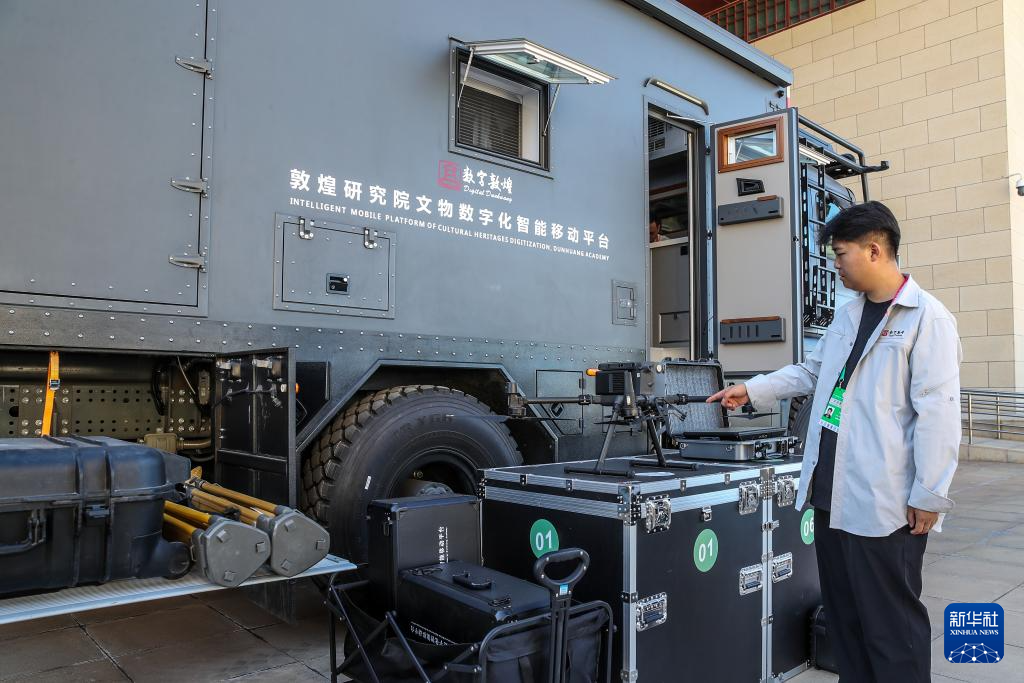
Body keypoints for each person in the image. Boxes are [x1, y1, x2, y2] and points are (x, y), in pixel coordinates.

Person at [708, 201, 961, 682]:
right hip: (831, 493)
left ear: (874, 250)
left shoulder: (927, 319)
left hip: (886, 503)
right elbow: (811, 371)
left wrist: (930, 494)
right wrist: (753, 389)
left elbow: (940, 412)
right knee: (846, 623)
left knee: (891, 627)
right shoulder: (848, 316)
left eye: (841, 255)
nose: (835, 266)